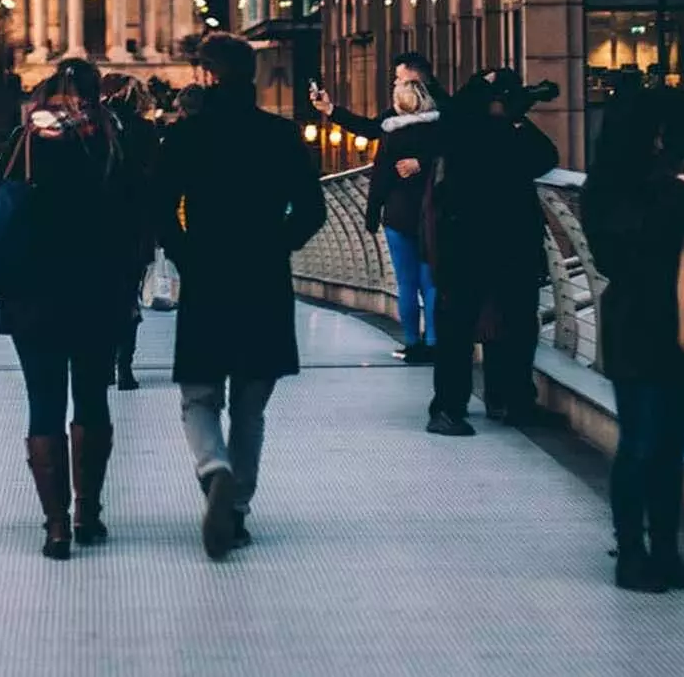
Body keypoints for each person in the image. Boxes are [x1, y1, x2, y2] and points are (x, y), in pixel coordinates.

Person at [157, 33, 327, 559]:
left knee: (199, 395)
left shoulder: (187, 136)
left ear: (208, 76)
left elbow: (159, 206)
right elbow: (313, 210)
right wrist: (276, 244)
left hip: (208, 277)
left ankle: (214, 470)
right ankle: (238, 510)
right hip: (263, 279)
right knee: (251, 406)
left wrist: (187, 255)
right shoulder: (280, 135)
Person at [585, 72, 684, 593]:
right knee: (641, 443)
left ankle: (667, 553)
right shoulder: (606, 185)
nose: (663, 141)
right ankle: (631, 553)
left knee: (673, 446)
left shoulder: (671, 175)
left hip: (682, 325)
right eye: (656, 131)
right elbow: (642, 241)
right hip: (637, 323)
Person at [0, 59, 144, 559]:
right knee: (91, 399)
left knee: (43, 402)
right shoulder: (110, 141)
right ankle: (89, 512)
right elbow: (137, 217)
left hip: (33, 293)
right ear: (95, 95)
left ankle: (55, 526)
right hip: (97, 291)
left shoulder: (25, 142)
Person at [423, 68, 559, 436]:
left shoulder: (471, 130)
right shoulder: (472, 131)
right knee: (482, 326)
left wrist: (510, 115)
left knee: (493, 325)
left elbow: (545, 156)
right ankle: (474, 405)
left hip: (481, 245)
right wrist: (507, 113)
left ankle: (477, 404)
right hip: (485, 244)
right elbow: (544, 156)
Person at [311, 52, 441, 361]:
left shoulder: (392, 129)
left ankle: (412, 343)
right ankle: (435, 342)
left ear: (412, 81)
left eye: (398, 78)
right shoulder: (443, 119)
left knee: (406, 282)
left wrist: (372, 215)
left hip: (398, 214)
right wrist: (331, 109)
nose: (394, 82)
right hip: (434, 211)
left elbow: (379, 170)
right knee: (430, 281)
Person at [102, 72, 163, 391]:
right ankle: (124, 366)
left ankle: (103, 363)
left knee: (99, 297)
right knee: (128, 297)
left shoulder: (93, 127)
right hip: (135, 227)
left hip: (97, 230)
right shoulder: (146, 130)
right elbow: (156, 180)